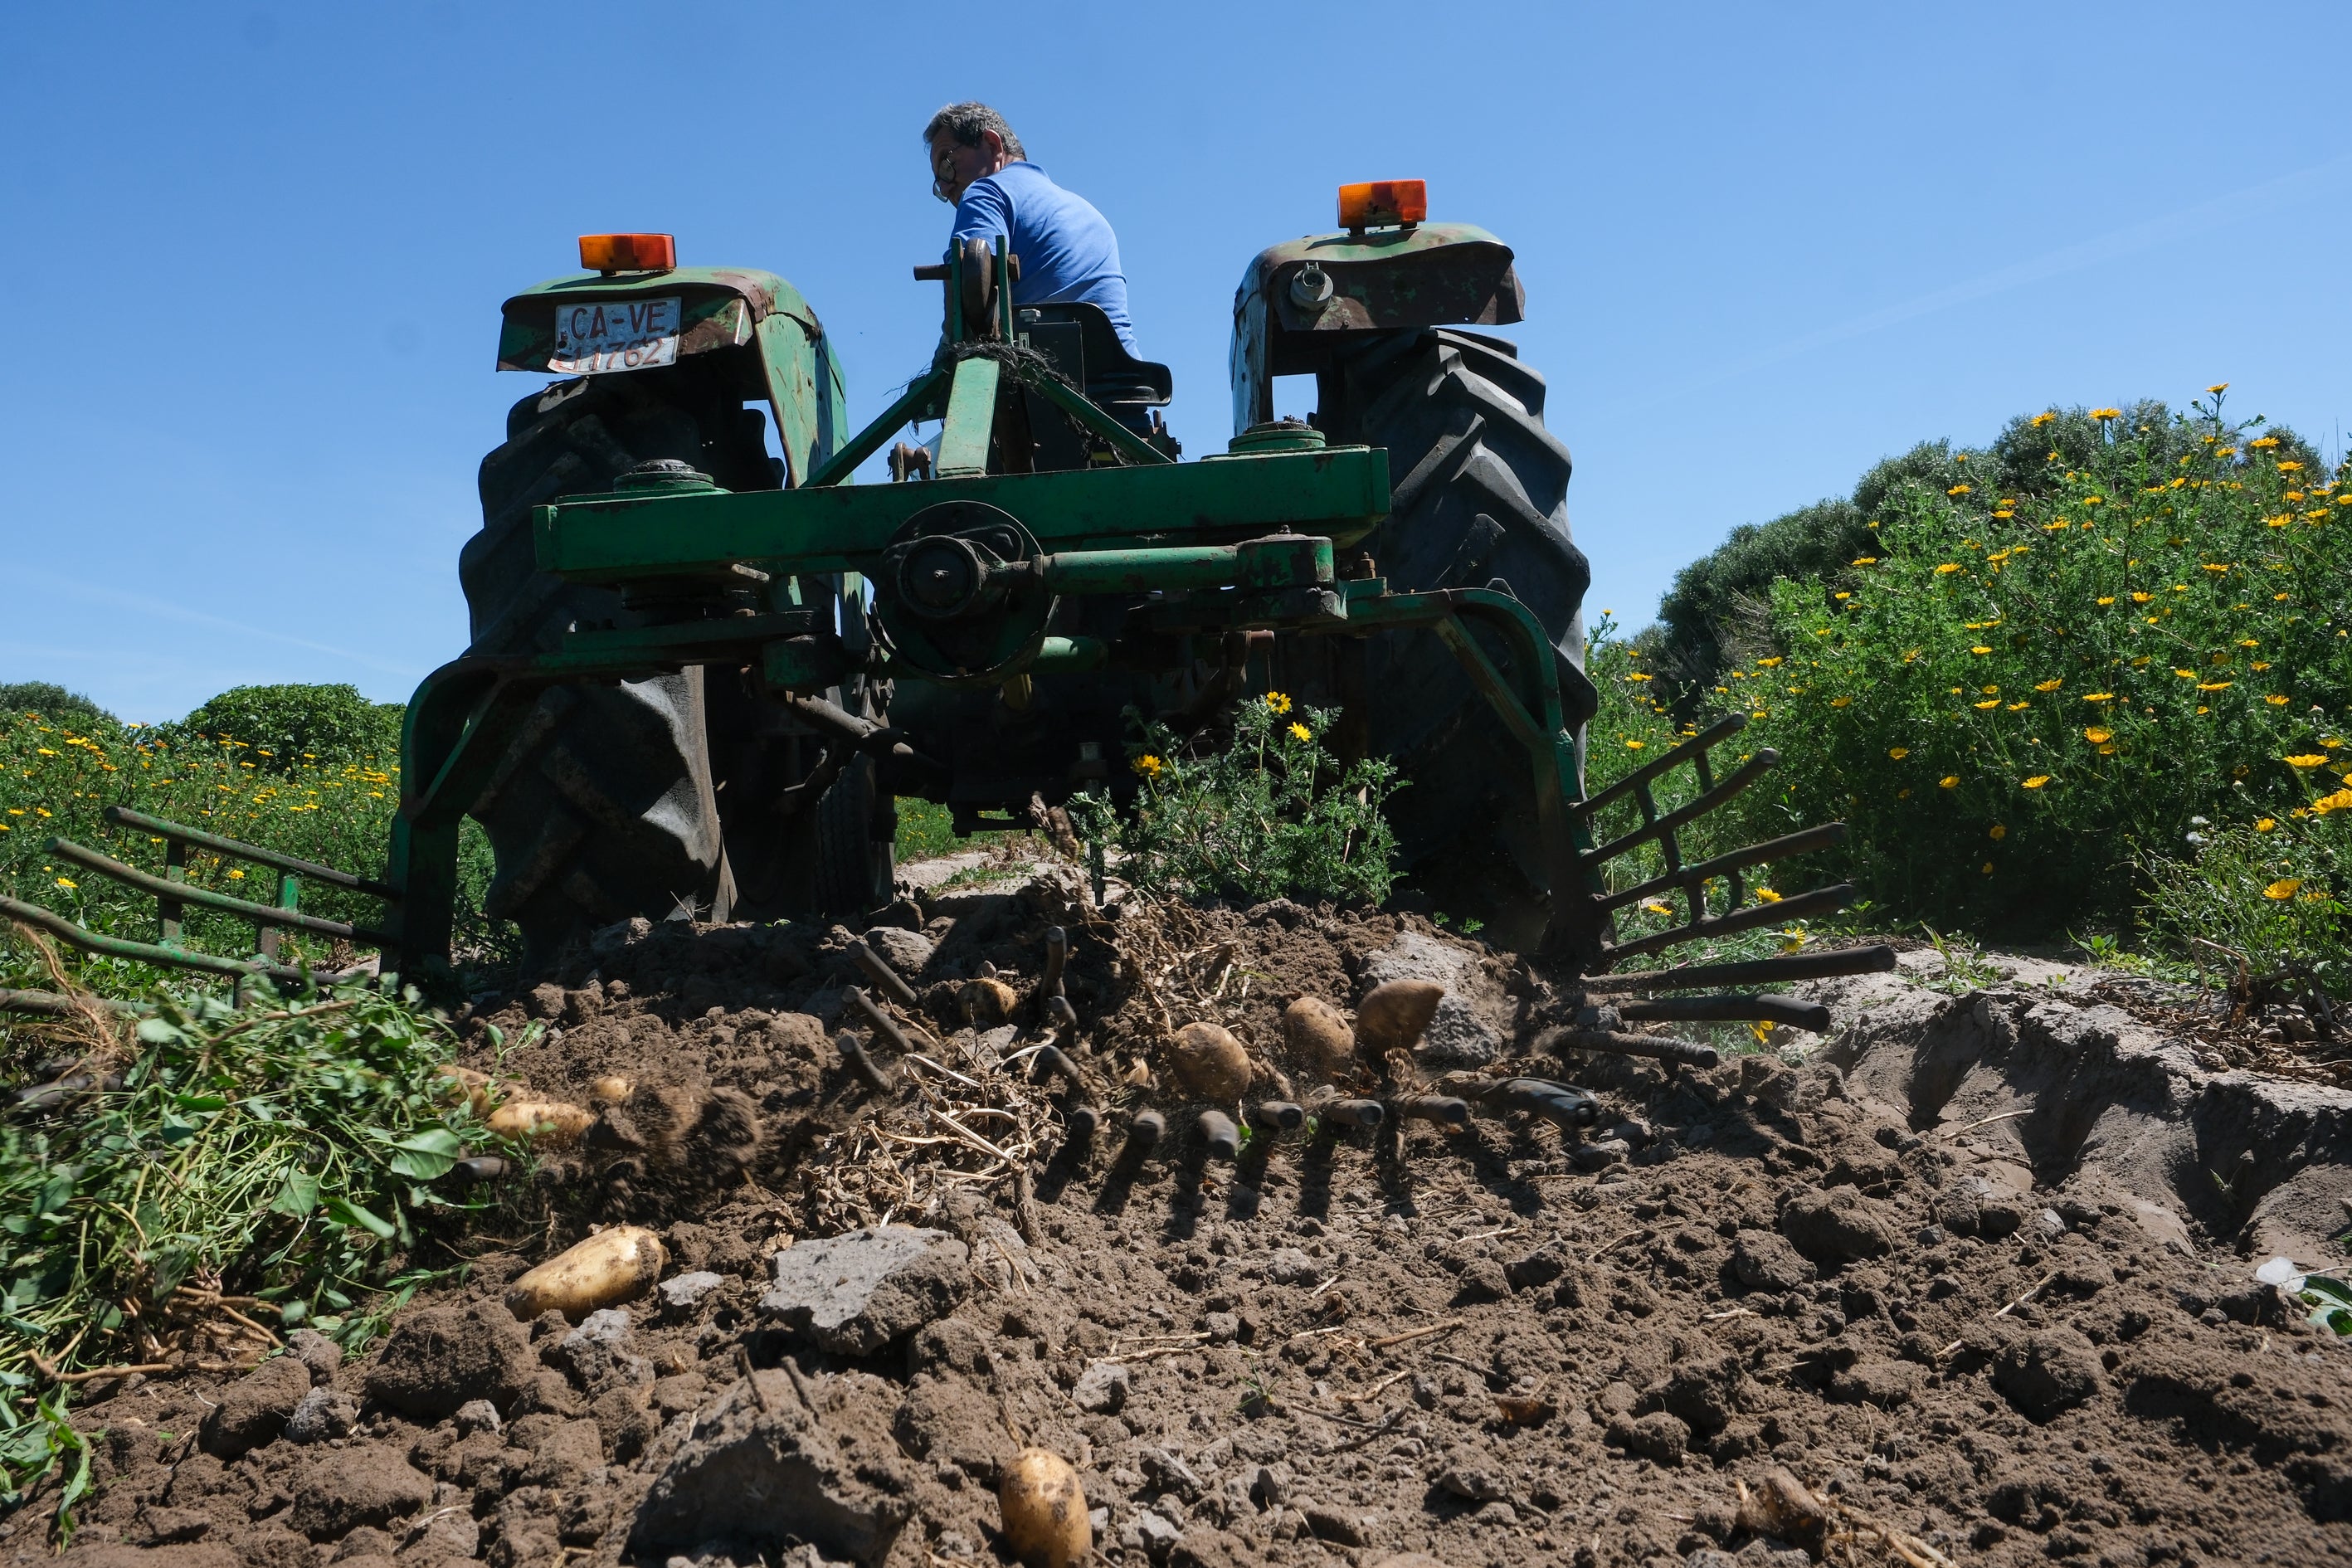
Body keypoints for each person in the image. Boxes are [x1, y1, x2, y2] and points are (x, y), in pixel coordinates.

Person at [923, 101, 1138, 354]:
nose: (946, 189)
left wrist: (944, 358)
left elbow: (967, 283)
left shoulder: (987, 192)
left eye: (947, 165)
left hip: (1049, 377)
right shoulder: (1088, 213)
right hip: (1127, 378)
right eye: (939, 183)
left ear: (992, 145)